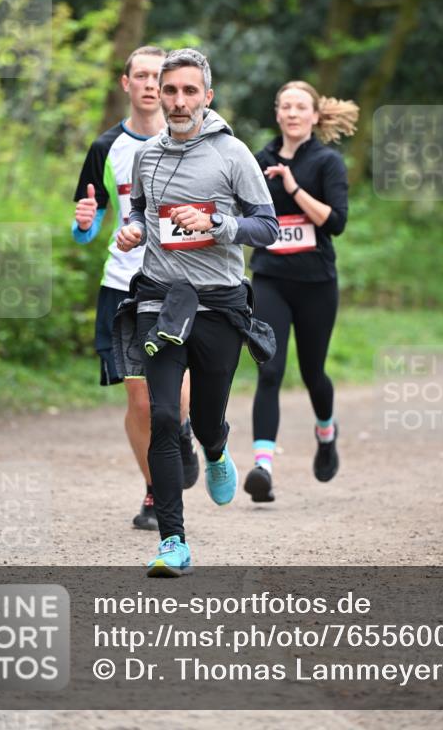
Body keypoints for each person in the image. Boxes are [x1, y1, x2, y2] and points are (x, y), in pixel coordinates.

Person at [116, 48, 278, 576]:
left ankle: (216, 448)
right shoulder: (149, 156)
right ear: (158, 95)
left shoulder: (234, 155)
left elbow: (268, 227)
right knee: (164, 416)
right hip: (161, 300)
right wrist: (135, 227)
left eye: (190, 91)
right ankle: (173, 542)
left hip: (219, 304)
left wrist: (219, 226)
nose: (179, 101)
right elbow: (141, 207)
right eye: (171, 91)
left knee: (206, 418)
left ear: (207, 96)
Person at [72, 45, 198, 531]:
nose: (149, 84)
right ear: (127, 84)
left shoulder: (193, 143)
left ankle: (184, 431)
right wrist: (84, 223)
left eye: (157, 76)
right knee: (141, 403)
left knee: (176, 394)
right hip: (122, 284)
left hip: (178, 283)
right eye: (140, 76)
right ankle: (154, 490)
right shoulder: (106, 148)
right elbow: (86, 225)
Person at [243, 81, 358, 505]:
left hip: (315, 283)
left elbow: (335, 222)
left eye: (300, 107)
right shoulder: (258, 161)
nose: (292, 113)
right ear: (277, 113)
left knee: (313, 374)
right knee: (269, 369)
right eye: (285, 106)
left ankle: (326, 433)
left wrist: (292, 187)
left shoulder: (327, 162)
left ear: (314, 116)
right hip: (270, 278)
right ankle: (263, 469)